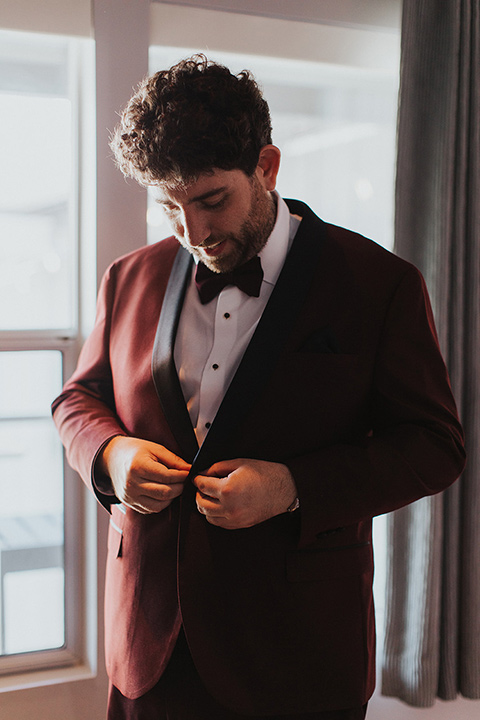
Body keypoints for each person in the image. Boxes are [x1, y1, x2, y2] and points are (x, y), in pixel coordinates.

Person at [52, 55, 465, 720]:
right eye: (170, 207)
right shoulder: (128, 276)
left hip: (296, 652)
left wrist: (292, 487)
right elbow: (78, 399)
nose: (194, 234)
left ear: (267, 167)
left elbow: (435, 447)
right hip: (151, 644)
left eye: (212, 200)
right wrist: (110, 455)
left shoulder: (378, 284)